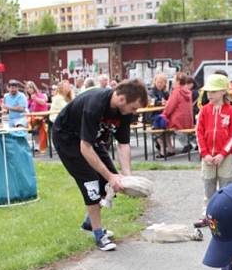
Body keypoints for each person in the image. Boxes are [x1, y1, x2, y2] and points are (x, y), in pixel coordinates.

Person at [52, 79, 149, 252]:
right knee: (91, 183)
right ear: (121, 99)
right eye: (133, 108)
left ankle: (89, 223)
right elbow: (85, 147)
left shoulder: (124, 112)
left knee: (108, 183)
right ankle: (98, 234)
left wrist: (126, 177)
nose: (134, 112)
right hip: (68, 138)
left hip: (93, 140)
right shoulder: (95, 104)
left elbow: (123, 144)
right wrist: (111, 176)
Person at [195, 73, 232, 222]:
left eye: (213, 91)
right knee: (209, 186)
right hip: (207, 157)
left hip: (224, 157)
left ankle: (226, 214)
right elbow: (199, 132)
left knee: (226, 186)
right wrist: (205, 153)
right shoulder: (204, 111)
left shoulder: (231, 111)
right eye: (208, 91)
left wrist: (223, 153)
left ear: (223, 92)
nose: (209, 94)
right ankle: (208, 214)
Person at [162, 72, 194, 155]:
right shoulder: (188, 92)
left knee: (162, 128)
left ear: (178, 82)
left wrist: (163, 115)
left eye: (173, 80)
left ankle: (170, 149)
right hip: (188, 120)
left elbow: (169, 107)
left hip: (177, 121)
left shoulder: (176, 92)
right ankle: (189, 143)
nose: (172, 82)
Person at [26, 80, 49, 152]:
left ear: (34, 88)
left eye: (30, 88)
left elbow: (43, 102)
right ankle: (36, 143)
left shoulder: (40, 95)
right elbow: (28, 108)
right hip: (33, 116)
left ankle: (40, 144)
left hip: (42, 115)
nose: (29, 89)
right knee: (29, 122)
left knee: (34, 123)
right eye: (27, 88)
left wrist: (35, 99)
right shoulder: (29, 98)